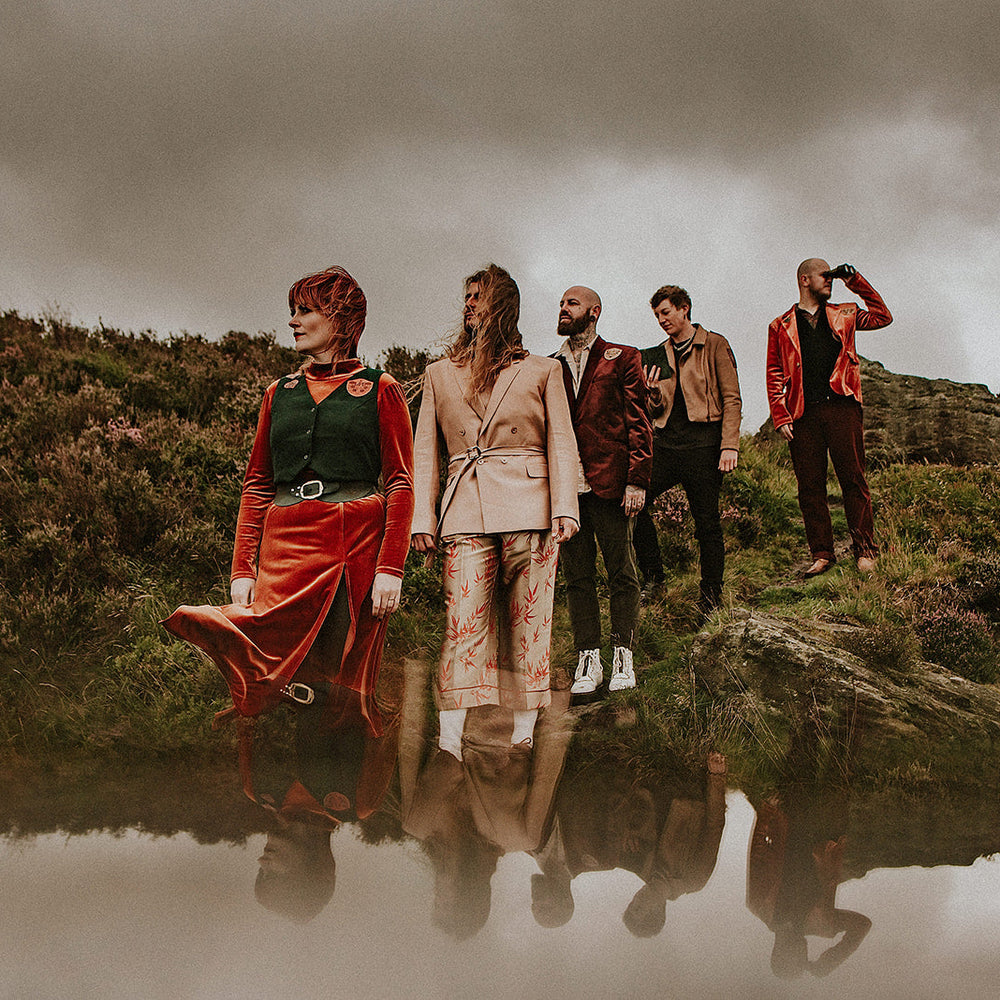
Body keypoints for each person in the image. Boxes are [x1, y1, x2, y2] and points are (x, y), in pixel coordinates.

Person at [164, 265, 414, 816]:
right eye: (293, 309)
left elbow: (399, 483)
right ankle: (283, 791)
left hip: (353, 546)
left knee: (339, 669)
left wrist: (391, 567)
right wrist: (242, 570)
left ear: (342, 320)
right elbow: (257, 484)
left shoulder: (381, 389)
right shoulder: (280, 392)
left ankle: (333, 798)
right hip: (284, 546)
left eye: (307, 310)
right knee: (277, 664)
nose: (294, 320)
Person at [411, 264, 579, 759]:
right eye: (465, 296)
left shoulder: (544, 370)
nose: (468, 304)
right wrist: (423, 518)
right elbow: (426, 452)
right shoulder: (438, 374)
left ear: (503, 305)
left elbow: (561, 442)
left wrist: (565, 507)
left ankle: (524, 734)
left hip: (532, 509)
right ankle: (449, 744)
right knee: (462, 624)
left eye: (478, 296)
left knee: (531, 620)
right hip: (464, 509)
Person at [552, 286, 651, 697]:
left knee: (621, 572)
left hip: (611, 483)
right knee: (577, 577)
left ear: (593, 312)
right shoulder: (548, 365)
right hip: (566, 489)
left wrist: (637, 478)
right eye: (560, 304)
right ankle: (587, 659)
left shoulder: (624, 357)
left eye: (571, 304)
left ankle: (623, 656)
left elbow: (639, 420)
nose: (562, 309)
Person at [766, 260, 892, 576]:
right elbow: (774, 372)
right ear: (805, 279)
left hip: (842, 407)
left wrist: (855, 280)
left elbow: (882, 317)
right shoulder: (780, 326)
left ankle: (865, 551)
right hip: (803, 413)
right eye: (826, 276)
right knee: (810, 486)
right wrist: (780, 416)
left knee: (853, 479)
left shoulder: (845, 314)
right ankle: (822, 553)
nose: (831, 281)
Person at [636, 285, 742, 612]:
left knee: (706, 523)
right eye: (656, 315)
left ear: (684, 309)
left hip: (705, 446)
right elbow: (654, 412)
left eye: (665, 312)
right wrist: (652, 393)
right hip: (666, 445)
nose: (661, 320)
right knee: (633, 502)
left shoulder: (714, 344)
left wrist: (729, 446)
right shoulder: (655, 355)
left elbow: (731, 398)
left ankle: (710, 596)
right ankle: (654, 578)